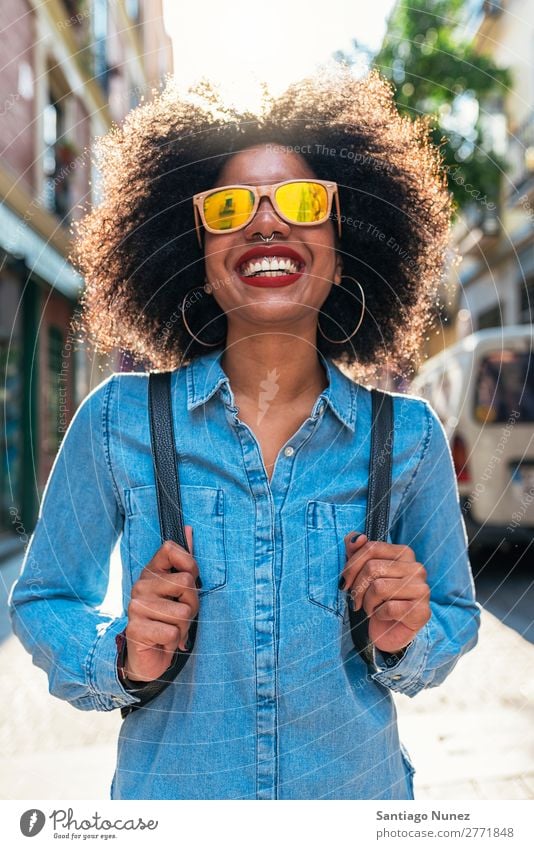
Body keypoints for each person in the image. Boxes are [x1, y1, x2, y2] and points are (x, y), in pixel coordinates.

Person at [8, 67, 480, 801]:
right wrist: (124, 654)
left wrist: (404, 637)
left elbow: (454, 612)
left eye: (300, 201)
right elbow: (42, 599)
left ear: (342, 236)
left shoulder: (409, 436)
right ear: (193, 246)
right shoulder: (116, 422)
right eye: (229, 207)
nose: (266, 222)